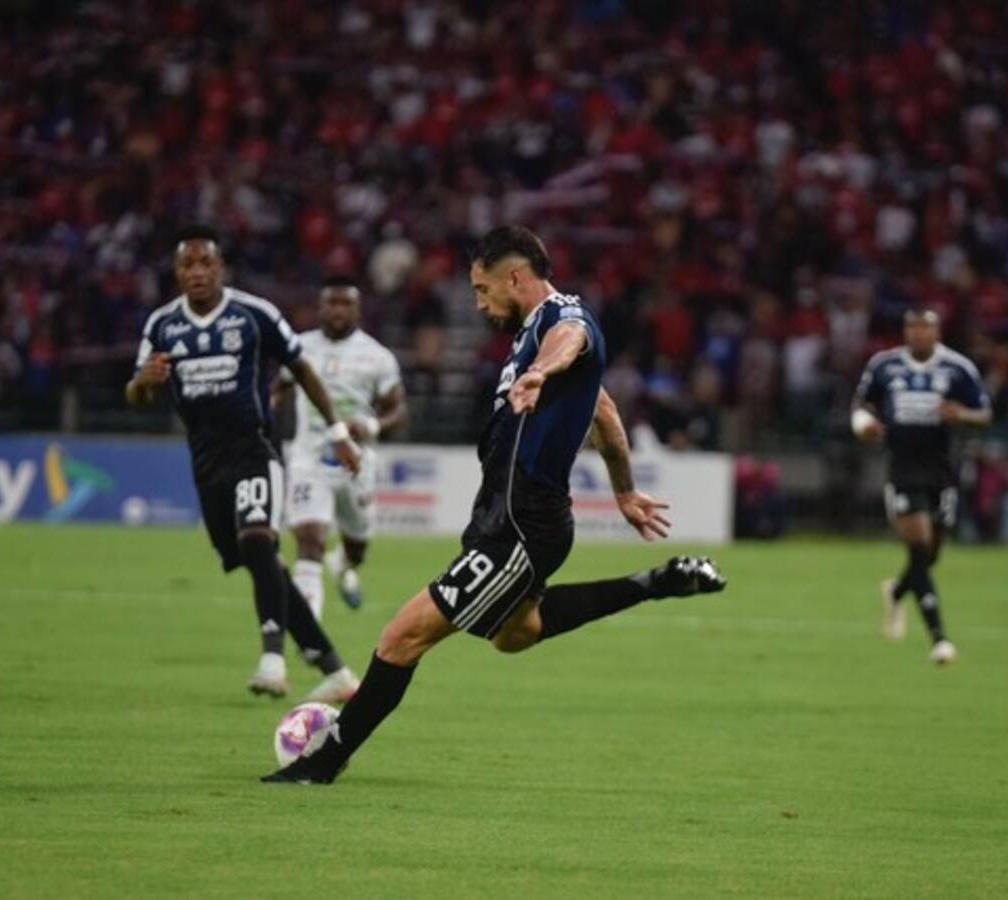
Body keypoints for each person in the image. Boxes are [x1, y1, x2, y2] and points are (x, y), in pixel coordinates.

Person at [263, 225, 726, 785]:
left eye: (483, 291)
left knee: (400, 637)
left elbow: (571, 340)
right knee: (516, 633)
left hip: (521, 528)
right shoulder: (532, 333)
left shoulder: (562, 321)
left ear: (515, 277)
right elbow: (602, 412)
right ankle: (658, 582)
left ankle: (323, 763)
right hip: (507, 520)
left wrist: (538, 372)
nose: (480, 305)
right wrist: (624, 490)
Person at [126, 225, 362, 702]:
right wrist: (143, 381)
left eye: (205, 264)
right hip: (206, 460)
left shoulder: (254, 315)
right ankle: (334, 669)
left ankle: (272, 661)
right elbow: (136, 394)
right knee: (260, 562)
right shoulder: (162, 326)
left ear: (220, 269)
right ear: (176, 273)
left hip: (255, 448)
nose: (196, 273)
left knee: (258, 543)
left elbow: (303, 370)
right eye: (187, 266)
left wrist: (338, 431)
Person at [851, 308, 991, 664]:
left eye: (925, 326)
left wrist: (962, 415)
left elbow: (985, 413)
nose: (917, 333)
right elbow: (862, 405)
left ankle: (896, 591)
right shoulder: (884, 365)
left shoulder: (957, 368)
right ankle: (939, 639)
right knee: (918, 547)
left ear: (936, 330)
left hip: (942, 470)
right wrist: (864, 424)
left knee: (931, 554)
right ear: (905, 330)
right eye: (911, 326)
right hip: (901, 468)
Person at [275, 275, 406, 616]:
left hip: (355, 462)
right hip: (308, 457)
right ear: (319, 308)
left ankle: (344, 565)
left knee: (357, 545)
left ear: (358, 309)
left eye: (345, 303)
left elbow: (398, 409)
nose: (337, 310)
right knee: (310, 538)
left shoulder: (377, 356)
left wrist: (371, 425)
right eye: (331, 302)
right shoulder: (299, 346)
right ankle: (311, 631)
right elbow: (278, 387)